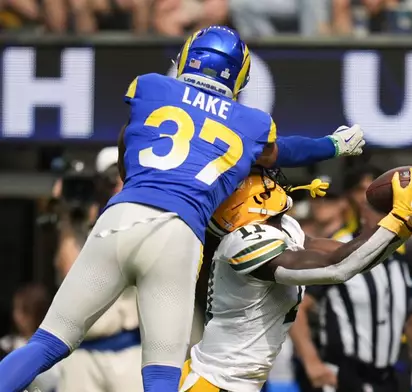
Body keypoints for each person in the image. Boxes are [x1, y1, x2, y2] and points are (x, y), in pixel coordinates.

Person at [0, 26, 365, 392]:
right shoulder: (251, 122)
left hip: (122, 216)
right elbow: (283, 151)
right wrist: (333, 145)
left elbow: (130, 144)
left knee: (47, 343)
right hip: (178, 233)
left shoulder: (152, 87)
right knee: (161, 375)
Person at [179, 166, 412, 392]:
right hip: (214, 383)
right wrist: (397, 219)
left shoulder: (285, 228)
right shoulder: (241, 243)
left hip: (239, 382)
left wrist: (406, 225)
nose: (270, 181)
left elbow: (349, 256)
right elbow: (337, 267)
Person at [290, 167, 412, 392]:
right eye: (381, 210)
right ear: (363, 212)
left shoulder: (407, 254)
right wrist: (312, 362)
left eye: (392, 211)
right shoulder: (337, 249)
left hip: (388, 375)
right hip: (343, 375)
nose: (388, 218)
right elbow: (297, 308)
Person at [54, 147, 143, 392]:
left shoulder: (144, 215)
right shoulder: (82, 223)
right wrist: (68, 215)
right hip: (81, 351)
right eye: (110, 177)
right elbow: (71, 274)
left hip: (128, 350)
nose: (116, 183)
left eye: (123, 175)